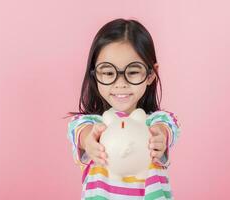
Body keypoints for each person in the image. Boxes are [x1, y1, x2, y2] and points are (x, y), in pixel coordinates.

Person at [67, 18, 181, 200]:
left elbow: (167, 128)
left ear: (151, 74)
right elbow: (81, 133)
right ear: (94, 74)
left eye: (133, 72)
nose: (121, 84)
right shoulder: (91, 124)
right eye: (108, 72)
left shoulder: (156, 121)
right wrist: (90, 140)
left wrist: (160, 136)